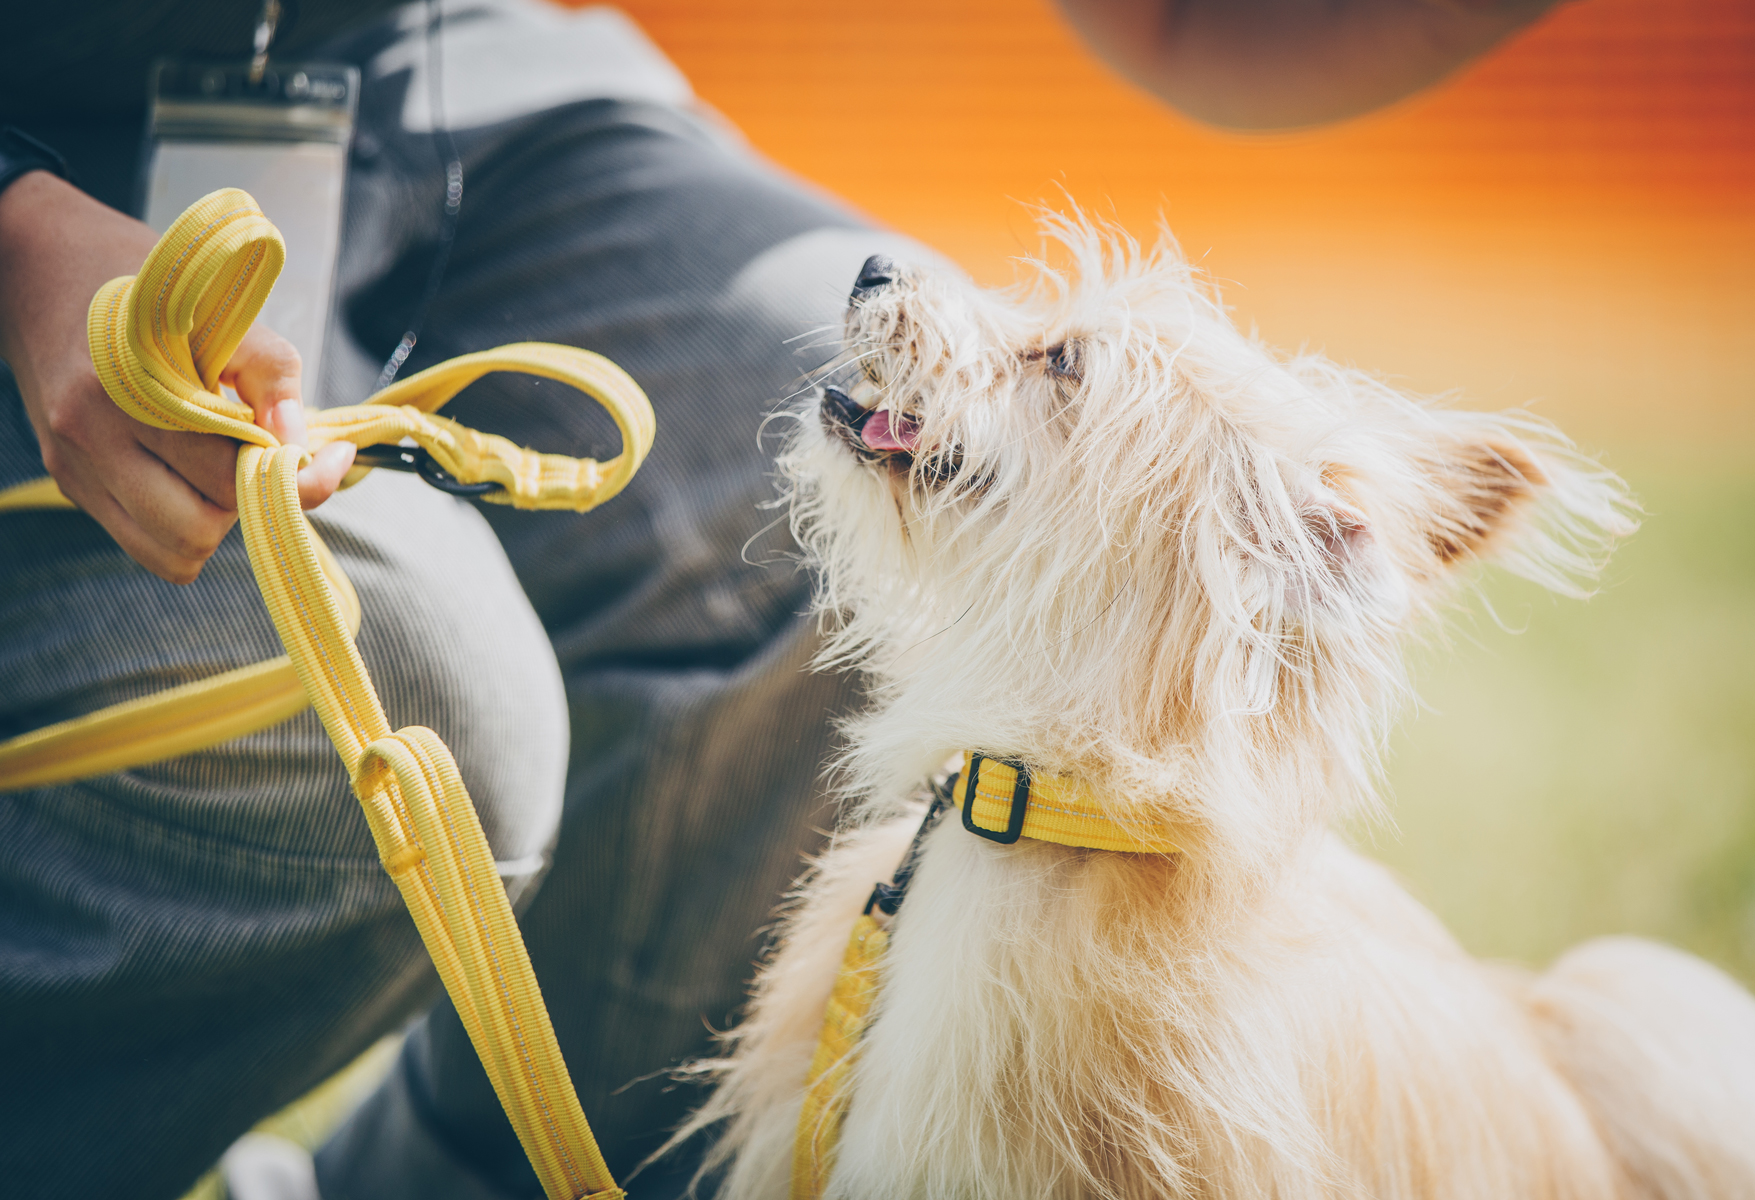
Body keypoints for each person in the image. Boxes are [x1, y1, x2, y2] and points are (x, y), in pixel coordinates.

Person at [0, 2, 1563, 1197]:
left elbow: (1184, 21)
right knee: (418, 684)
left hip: (416, 50)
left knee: (806, 416)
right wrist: (19, 236)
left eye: (1064, 363)